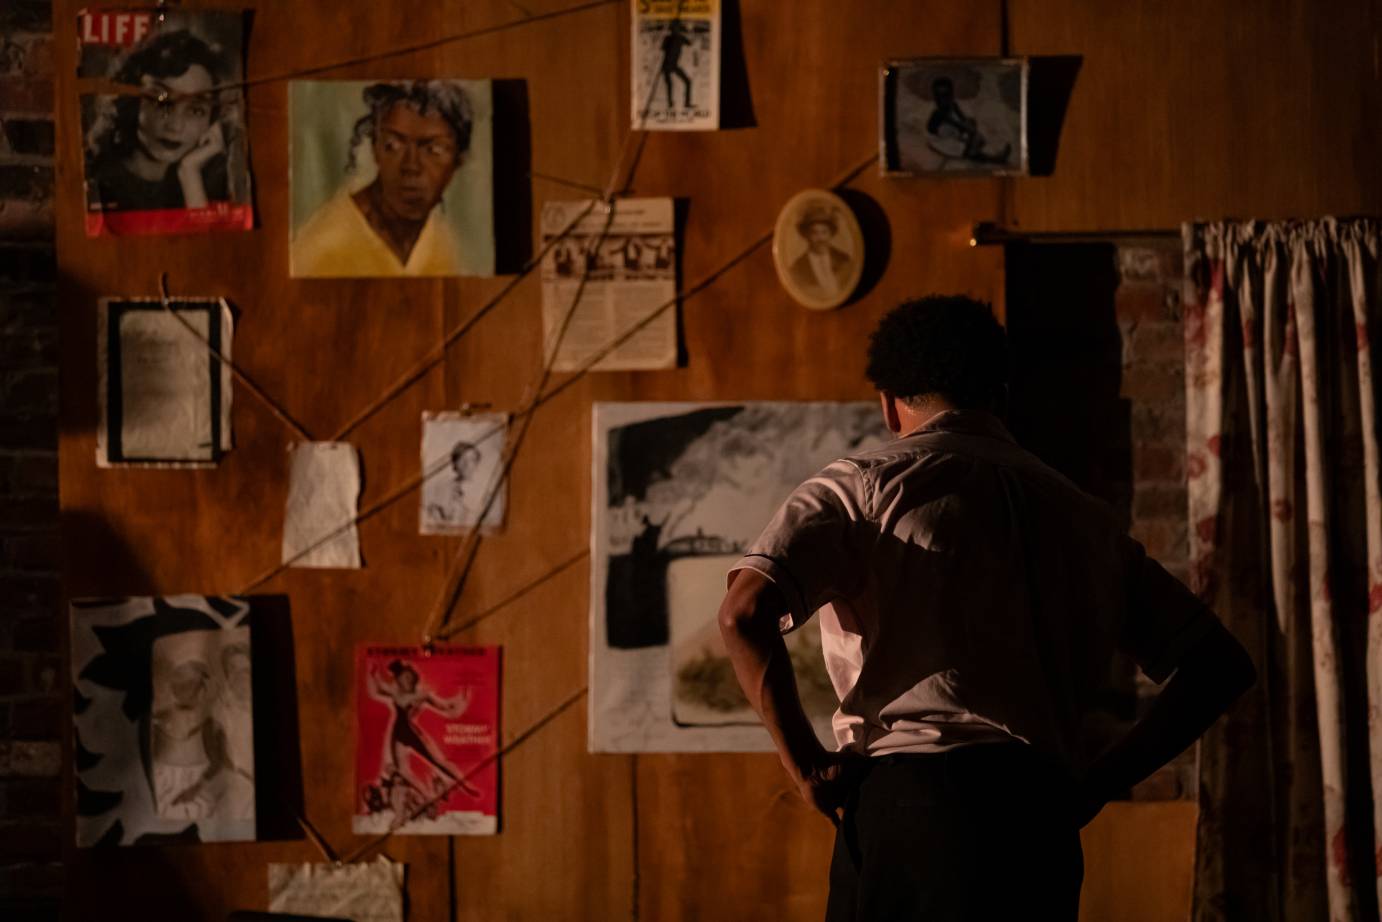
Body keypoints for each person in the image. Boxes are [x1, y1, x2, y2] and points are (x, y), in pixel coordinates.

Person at [717, 295, 1256, 920]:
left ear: (889, 404)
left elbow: (742, 614)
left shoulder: (859, 486)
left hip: (911, 809)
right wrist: (1098, 784)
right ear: (998, 394)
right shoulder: (1084, 518)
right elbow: (1218, 665)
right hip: (1038, 820)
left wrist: (806, 766)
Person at [291, 80, 473, 276]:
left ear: (458, 159)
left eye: (433, 149)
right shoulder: (322, 249)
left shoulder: (440, 242)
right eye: (392, 145)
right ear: (375, 149)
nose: (411, 166)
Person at [84, 29, 234, 212]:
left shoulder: (213, 181)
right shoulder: (97, 179)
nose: (175, 126)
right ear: (131, 100)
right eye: (161, 101)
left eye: (196, 110)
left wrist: (189, 174)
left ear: (212, 119)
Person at [367, 660, 481, 801]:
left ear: (414, 679)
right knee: (402, 771)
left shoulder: (422, 695)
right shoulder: (395, 692)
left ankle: (465, 785)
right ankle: (427, 796)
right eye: (404, 678)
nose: (407, 681)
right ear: (398, 680)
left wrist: (463, 698)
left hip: (413, 733)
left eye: (410, 678)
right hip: (398, 735)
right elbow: (378, 689)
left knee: (438, 762)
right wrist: (373, 675)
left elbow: (446, 707)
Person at [924, 74, 1012, 166]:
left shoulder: (953, 105)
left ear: (951, 95)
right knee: (970, 149)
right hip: (942, 142)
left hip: (952, 134)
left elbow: (963, 119)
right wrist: (970, 132)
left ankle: (978, 149)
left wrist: (969, 124)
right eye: (939, 97)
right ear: (935, 97)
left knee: (972, 126)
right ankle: (994, 159)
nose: (943, 100)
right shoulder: (938, 113)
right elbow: (957, 124)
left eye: (946, 95)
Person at [787, 204, 853, 301]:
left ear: (831, 234)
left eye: (824, 232)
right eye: (814, 233)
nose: (820, 238)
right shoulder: (797, 269)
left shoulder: (844, 261)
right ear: (807, 236)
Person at [658, 20, 693, 110]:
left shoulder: (681, 38)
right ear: (672, 29)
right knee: (670, 84)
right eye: (674, 28)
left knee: (687, 82)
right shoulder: (668, 38)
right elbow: (661, 51)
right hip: (666, 65)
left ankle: (687, 103)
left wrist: (689, 31)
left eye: (677, 28)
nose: (675, 30)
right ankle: (670, 103)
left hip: (673, 65)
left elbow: (690, 43)